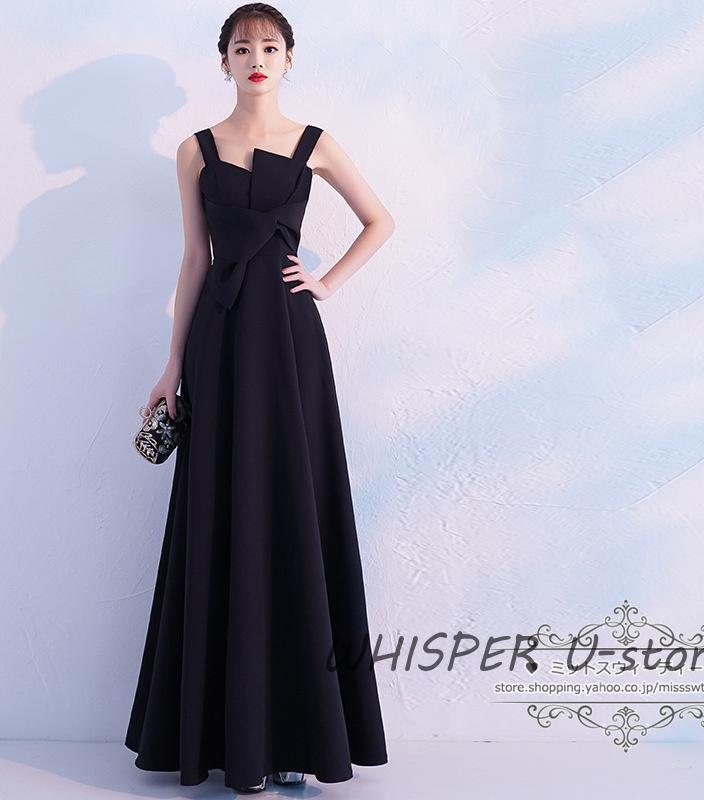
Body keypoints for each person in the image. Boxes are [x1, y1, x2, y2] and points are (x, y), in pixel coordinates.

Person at [124, 3, 394, 793]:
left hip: (290, 342)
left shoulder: (315, 143)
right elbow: (193, 260)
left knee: (294, 506)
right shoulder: (195, 150)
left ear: (289, 59)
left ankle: (295, 738)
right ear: (223, 61)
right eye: (242, 47)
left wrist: (325, 283)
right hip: (220, 342)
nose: (256, 58)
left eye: (270, 47)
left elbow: (380, 221)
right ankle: (228, 742)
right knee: (222, 509)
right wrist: (173, 362)